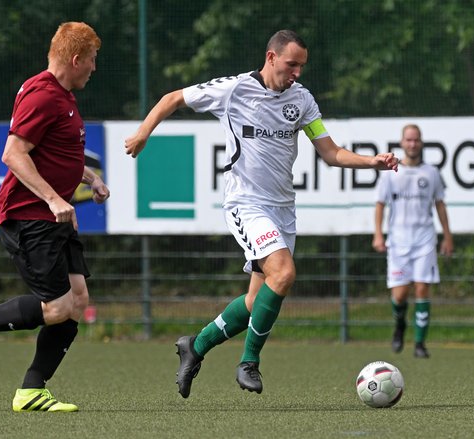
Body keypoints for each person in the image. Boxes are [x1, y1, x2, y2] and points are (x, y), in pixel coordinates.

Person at [124, 29, 399, 397]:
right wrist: (143, 133)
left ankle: (196, 346)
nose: (297, 73)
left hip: (283, 209)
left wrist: (371, 162)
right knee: (283, 273)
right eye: (291, 64)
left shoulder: (302, 101)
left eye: (302, 66)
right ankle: (249, 361)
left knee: (257, 300)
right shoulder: (235, 89)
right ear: (271, 57)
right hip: (246, 203)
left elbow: (330, 152)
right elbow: (173, 98)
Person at [0, 22, 109, 412]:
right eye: (92, 60)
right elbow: (13, 153)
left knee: (77, 301)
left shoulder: (62, 95)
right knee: (56, 308)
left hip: (54, 218)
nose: (94, 68)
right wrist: (53, 200)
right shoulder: (43, 95)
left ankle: (31, 390)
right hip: (30, 216)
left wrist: (91, 178)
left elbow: (57, 152)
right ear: (76, 59)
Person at [372, 124, 453, 359]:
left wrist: (447, 236)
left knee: (422, 288)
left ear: (421, 142)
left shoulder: (431, 173)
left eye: (416, 140)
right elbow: (380, 204)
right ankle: (400, 325)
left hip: (424, 239)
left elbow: (440, 204)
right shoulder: (390, 173)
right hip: (398, 241)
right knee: (399, 295)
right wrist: (378, 234)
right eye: (408, 140)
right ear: (402, 143)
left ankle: (420, 344)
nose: (412, 144)